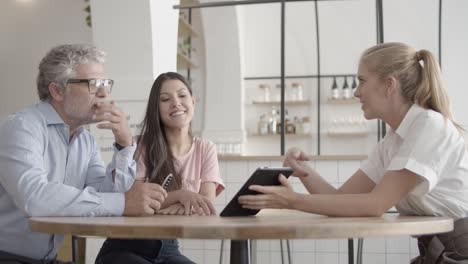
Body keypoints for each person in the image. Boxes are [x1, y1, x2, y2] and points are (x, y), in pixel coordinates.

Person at [239, 42, 468, 263]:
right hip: (439, 250)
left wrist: (293, 201)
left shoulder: (429, 126)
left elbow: (375, 205)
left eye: (361, 81)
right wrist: (304, 171)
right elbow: (337, 200)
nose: (356, 92)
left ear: (390, 85)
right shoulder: (391, 142)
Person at [0, 44, 167, 264]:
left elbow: (105, 193)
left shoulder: (85, 140)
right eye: (93, 84)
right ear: (57, 91)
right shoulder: (22, 127)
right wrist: (123, 202)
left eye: (105, 83)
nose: (104, 93)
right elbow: (35, 197)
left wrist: (125, 145)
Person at [95, 72, 225, 264]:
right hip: (125, 246)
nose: (176, 103)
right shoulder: (139, 146)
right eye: (165, 99)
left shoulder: (206, 149)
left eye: (182, 96)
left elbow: (205, 203)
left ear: (193, 101)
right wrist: (182, 196)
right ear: (156, 108)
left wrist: (161, 204)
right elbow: (134, 200)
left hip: (169, 250)